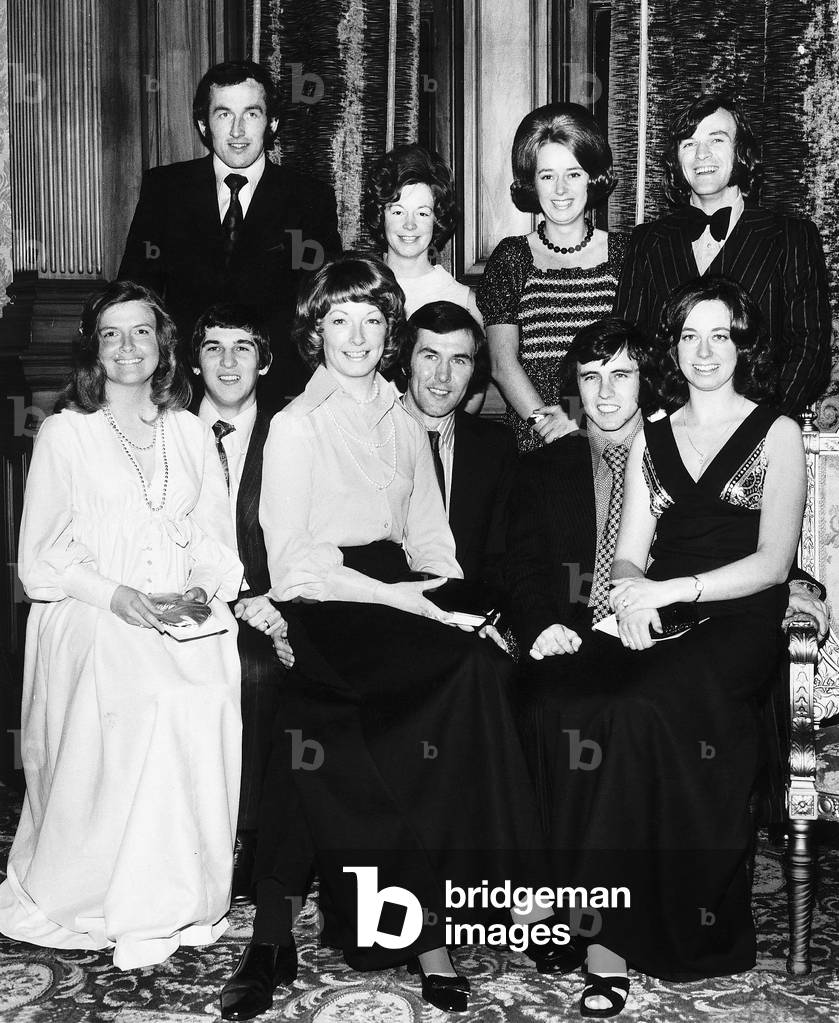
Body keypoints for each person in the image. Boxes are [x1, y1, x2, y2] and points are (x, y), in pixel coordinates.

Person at [219, 254, 557, 1022]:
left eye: (371, 319)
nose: (356, 335)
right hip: (329, 603)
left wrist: (450, 600)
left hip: (398, 596)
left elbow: (432, 541)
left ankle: (296, 931)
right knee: (466, 672)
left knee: (337, 727)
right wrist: (413, 606)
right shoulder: (296, 425)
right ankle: (500, 900)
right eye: (339, 319)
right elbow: (296, 563)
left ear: (389, 331)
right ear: (315, 330)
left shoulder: (404, 421)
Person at [514, 276, 808, 1017]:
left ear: (742, 344)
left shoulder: (776, 431)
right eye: (689, 336)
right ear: (673, 350)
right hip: (657, 609)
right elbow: (627, 553)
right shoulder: (655, 433)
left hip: (737, 617)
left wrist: (670, 592)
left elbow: (773, 563)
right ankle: (564, 893)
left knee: (637, 708)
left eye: (720, 335)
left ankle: (607, 944)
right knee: (563, 697)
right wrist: (627, 595)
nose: (704, 351)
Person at [0, 281, 244, 969]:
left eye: (141, 332)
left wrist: (198, 589)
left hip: (178, 605)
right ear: (94, 349)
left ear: (163, 344)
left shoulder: (189, 431)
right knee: (151, 693)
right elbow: (40, 558)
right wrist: (117, 597)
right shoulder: (66, 432)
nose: (128, 347)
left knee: (206, 679)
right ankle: (117, 895)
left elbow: (215, 540)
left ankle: (179, 893)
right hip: (89, 608)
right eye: (112, 333)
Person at [119, 60, 342, 404]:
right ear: (203, 125)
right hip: (180, 395)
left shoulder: (310, 198)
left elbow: (324, 306)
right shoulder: (165, 189)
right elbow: (135, 293)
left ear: (272, 123)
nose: (238, 130)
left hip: (280, 397)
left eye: (251, 114)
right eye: (224, 114)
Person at [612, 91, 832, 418]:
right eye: (688, 143)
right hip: (667, 427)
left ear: (741, 152)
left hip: (761, 426)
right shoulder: (647, 240)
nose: (702, 154)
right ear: (676, 159)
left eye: (716, 140)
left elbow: (810, 349)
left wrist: (761, 425)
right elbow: (625, 343)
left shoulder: (792, 237)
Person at [191, 303, 294, 903]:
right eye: (213, 347)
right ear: (194, 362)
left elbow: (312, 533)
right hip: (187, 599)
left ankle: (246, 834)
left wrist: (272, 600)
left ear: (266, 361)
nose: (228, 361)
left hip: (270, 604)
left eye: (243, 348)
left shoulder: (290, 430)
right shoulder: (169, 431)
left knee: (254, 667)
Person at [477, 102, 629, 452]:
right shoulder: (511, 257)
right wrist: (550, 427)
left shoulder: (626, 254)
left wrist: (576, 418)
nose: (560, 190)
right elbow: (502, 364)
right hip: (536, 437)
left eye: (573, 174)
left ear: (592, 177)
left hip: (610, 435)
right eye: (547, 176)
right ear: (532, 182)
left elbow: (636, 360)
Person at [398, 300, 516, 583]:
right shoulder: (369, 436)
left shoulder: (495, 448)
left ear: (474, 371)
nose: (443, 375)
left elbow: (500, 558)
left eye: (459, 360)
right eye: (430, 356)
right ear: (406, 362)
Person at [362, 144, 482, 323]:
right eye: (398, 212)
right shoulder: (358, 292)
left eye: (422, 213)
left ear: (436, 218)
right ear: (381, 215)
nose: (409, 225)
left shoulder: (465, 302)